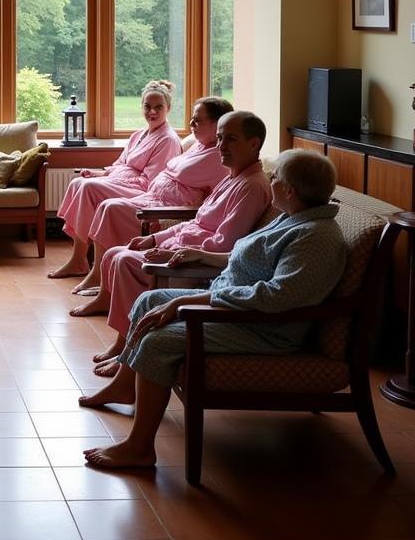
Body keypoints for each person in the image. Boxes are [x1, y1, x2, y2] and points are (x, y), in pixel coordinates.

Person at [79, 149, 345, 471]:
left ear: (290, 190)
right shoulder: (293, 218)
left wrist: (191, 301)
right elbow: (246, 257)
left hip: (263, 329)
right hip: (235, 309)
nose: (270, 182)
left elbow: (275, 298)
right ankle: (125, 385)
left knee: (157, 341)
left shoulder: (314, 238)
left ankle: (139, 448)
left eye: (275, 179)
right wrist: (203, 257)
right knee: (148, 300)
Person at [78, 111, 272, 375]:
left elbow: (223, 243)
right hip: (179, 246)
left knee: (124, 261)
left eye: (231, 140)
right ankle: (124, 343)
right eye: (219, 139)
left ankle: (127, 350)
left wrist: (174, 250)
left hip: (193, 261)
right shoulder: (231, 177)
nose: (221, 147)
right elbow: (197, 220)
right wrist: (155, 238)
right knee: (114, 253)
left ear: (254, 143)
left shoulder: (251, 186)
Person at [68, 96, 233, 297]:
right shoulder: (198, 145)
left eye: (197, 120)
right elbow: (145, 166)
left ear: (218, 124)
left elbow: (180, 175)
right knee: (102, 202)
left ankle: (99, 279)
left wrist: (170, 172)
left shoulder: (218, 155)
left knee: (109, 206)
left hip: (165, 207)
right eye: (192, 118)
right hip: (152, 196)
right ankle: (97, 274)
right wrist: (104, 174)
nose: (191, 124)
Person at [49, 80, 183, 279]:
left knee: (89, 188)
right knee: (79, 182)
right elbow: (121, 163)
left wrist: (111, 181)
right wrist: (102, 174)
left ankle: (79, 261)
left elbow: (151, 182)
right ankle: (78, 259)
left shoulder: (168, 140)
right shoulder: (139, 134)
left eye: (158, 107)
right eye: (147, 106)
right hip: (124, 182)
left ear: (168, 108)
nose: (152, 112)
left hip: (142, 191)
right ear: (141, 107)